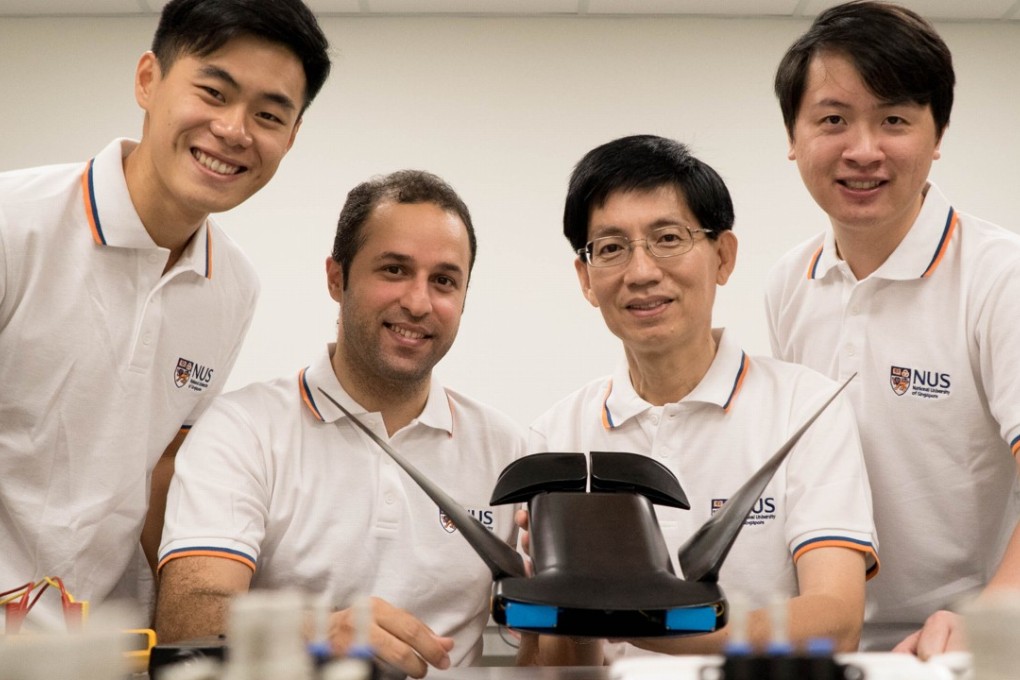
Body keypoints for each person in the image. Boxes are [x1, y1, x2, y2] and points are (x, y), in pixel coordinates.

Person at [0, 0, 330, 629]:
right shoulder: (14, 226)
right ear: (148, 80)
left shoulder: (232, 286)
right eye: (213, 92)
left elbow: (163, 471)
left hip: (105, 649)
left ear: (290, 137)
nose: (235, 130)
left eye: (268, 114)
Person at [520, 135, 878, 665]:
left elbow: (834, 619)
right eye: (612, 248)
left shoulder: (805, 408)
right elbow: (557, 666)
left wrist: (640, 622)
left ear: (723, 256)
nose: (641, 272)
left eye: (667, 238)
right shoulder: (555, 437)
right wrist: (558, 605)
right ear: (586, 278)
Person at [154, 170, 526, 679]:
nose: (418, 302)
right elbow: (188, 616)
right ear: (337, 278)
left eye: (443, 280)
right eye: (394, 270)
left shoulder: (508, 452)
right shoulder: (244, 429)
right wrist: (316, 632)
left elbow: (543, 642)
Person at [767, 0, 1020, 658]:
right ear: (793, 139)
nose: (863, 149)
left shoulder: (999, 277)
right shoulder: (788, 284)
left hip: (958, 645)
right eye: (833, 120)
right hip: (827, 640)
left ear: (936, 138)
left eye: (895, 120)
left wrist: (990, 612)